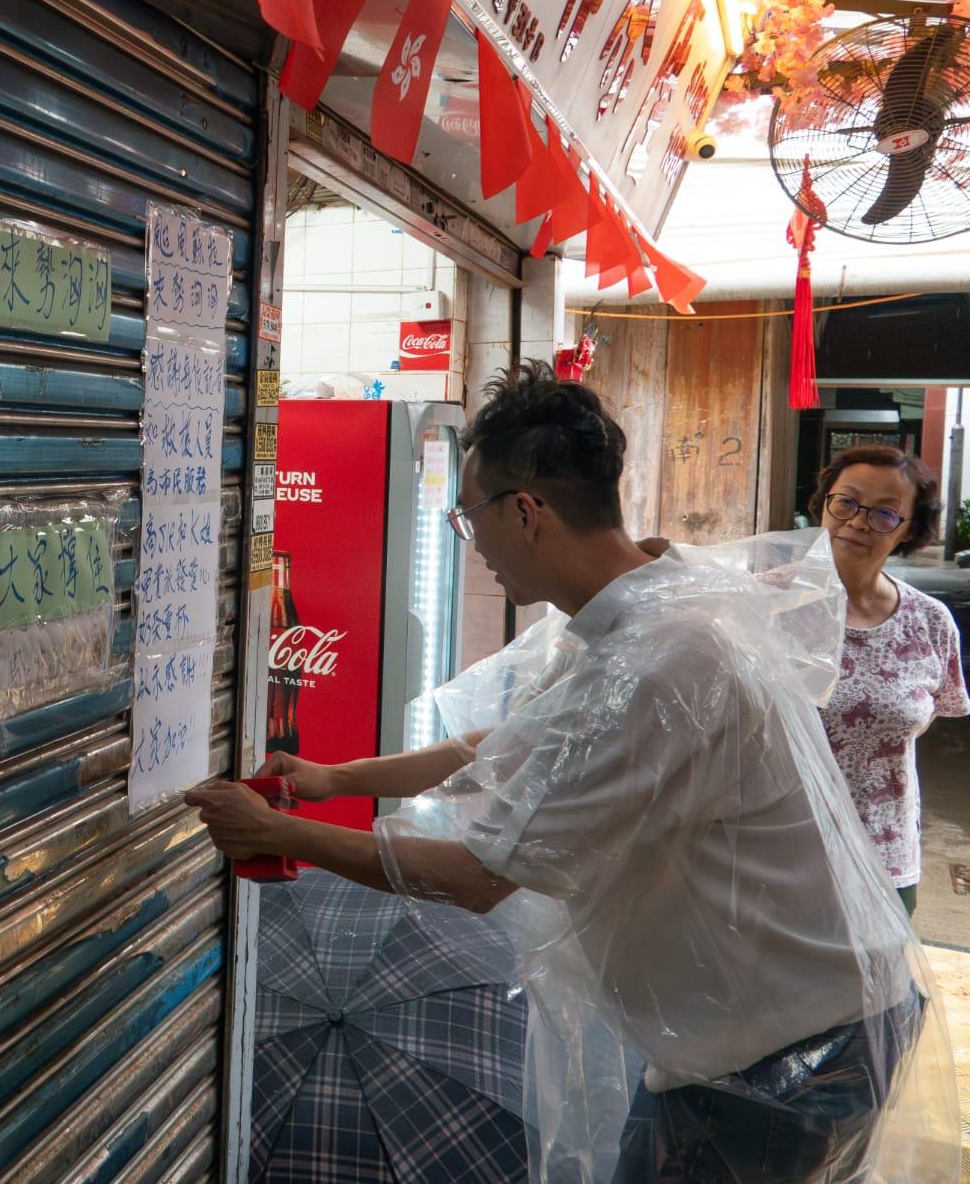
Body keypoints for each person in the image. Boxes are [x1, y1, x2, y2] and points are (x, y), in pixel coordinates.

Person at [187, 363, 955, 1183]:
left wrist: (273, 831)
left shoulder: (663, 656)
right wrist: (332, 780)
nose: (472, 545)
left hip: (785, 1054)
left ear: (525, 511)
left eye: (468, 517)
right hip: (769, 1033)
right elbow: (515, 739)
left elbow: (480, 875)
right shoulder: (654, 604)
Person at [809, 444, 968, 917]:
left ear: (907, 532)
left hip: (885, 855)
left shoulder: (930, 621)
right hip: (777, 854)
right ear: (823, 505)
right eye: (847, 502)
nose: (858, 521)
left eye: (884, 513)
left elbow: (927, 714)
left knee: (882, 988)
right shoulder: (765, 606)